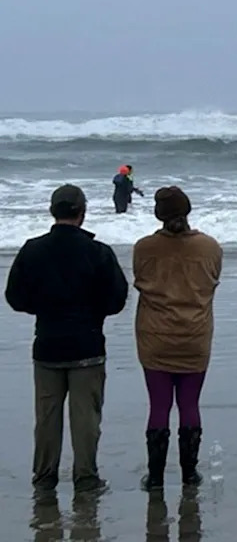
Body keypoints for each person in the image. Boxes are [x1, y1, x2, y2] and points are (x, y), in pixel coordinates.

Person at [4, 185, 129, 494]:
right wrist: (91, 312)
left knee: (47, 417)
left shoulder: (33, 249)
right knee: (86, 417)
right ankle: (86, 478)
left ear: (52, 212)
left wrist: (43, 308)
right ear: (82, 214)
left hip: (47, 343)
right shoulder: (98, 252)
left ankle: (45, 478)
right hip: (87, 343)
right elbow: (117, 299)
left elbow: (15, 297)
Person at [133, 186, 222, 489]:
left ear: (158, 215)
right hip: (195, 335)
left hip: (155, 336)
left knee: (158, 405)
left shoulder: (144, 248)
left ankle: (155, 475)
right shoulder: (210, 247)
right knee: (189, 403)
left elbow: (140, 282)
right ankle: (189, 473)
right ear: (188, 211)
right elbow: (212, 283)